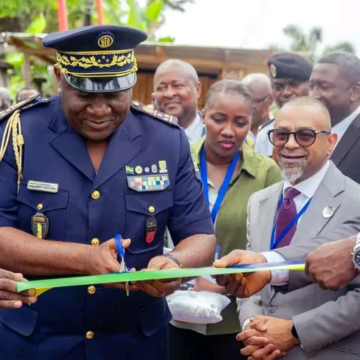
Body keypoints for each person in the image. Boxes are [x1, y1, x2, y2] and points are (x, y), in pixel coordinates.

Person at [0, 25, 215, 360]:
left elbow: (201, 235)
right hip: (37, 343)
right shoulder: (19, 134)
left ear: (130, 82)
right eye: (84, 95)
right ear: (60, 77)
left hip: (134, 344)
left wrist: (175, 262)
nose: (99, 110)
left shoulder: (166, 141)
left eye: (114, 96)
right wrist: (84, 259)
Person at [237, 97, 360, 359]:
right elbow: (250, 275)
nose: (290, 144)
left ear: (331, 142)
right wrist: (252, 327)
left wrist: (295, 331)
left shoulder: (355, 201)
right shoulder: (259, 201)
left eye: (305, 135)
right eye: (281, 135)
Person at [169, 79, 282, 360]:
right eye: (219, 119)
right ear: (204, 114)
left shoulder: (266, 173)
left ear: (252, 123)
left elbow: (274, 250)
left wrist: (223, 285)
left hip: (237, 321)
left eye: (240, 122)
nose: (229, 131)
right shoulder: (175, 162)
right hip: (173, 313)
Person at [310, 52, 360, 184]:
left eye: (324, 87)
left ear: (355, 92)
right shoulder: (307, 130)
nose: (314, 95)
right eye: (311, 87)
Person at [255, 53, 312, 157]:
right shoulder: (266, 134)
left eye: (293, 85)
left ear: (310, 85)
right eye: (278, 87)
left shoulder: (325, 128)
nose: (285, 92)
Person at [153, 59, 204, 144]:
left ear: (197, 90)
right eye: (161, 88)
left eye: (177, 85)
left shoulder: (214, 136)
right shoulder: (145, 138)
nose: (169, 94)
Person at [241, 73, 274, 148]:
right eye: (243, 101)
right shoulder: (233, 131)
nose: (247, 107)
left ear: (270, 99)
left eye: (253, 102)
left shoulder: (279, 130)